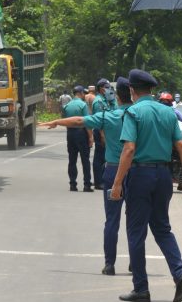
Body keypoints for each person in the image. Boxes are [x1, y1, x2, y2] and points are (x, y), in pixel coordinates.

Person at [110, 68, 182, 302]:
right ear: (151, 90)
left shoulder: (133, 112)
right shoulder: (167, 112)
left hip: (140, 175)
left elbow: (129, 149)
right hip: (163, 175)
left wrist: (117, 183)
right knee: (162, 228)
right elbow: (181, 146)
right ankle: (180, 274)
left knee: (136, 231)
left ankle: (141, 288)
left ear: (132, 90)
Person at [49, 76, 133, 275]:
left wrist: (56, 122)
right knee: (134, 221)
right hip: (136, 171)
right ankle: (135, 261)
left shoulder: (110, 116)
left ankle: (110, 264)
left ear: (116, 96)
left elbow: (80, 121)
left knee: (112, 220)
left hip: (113, 169)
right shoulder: (138, 116)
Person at [62, 85, 93, 192]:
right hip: (81, 133)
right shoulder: (83, 105)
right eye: (83, 93)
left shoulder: (67, 106)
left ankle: (72, 184)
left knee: (72, 160)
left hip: (70, 133)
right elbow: (86, 122)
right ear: (80, 93)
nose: (84, 95)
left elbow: (64, 121)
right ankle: (87, 185)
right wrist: (90, 137)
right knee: (85, 160)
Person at [91, 78, 114, 190]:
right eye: (106, 87)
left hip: (106, 131)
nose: (108, 89)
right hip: (101, 132)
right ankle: (98, 182)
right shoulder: (98, 101)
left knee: (104, 156)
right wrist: (102, 135)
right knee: (99, 157)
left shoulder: (106, 100)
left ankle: (102, 180)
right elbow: (100, 120)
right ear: (101, 89)